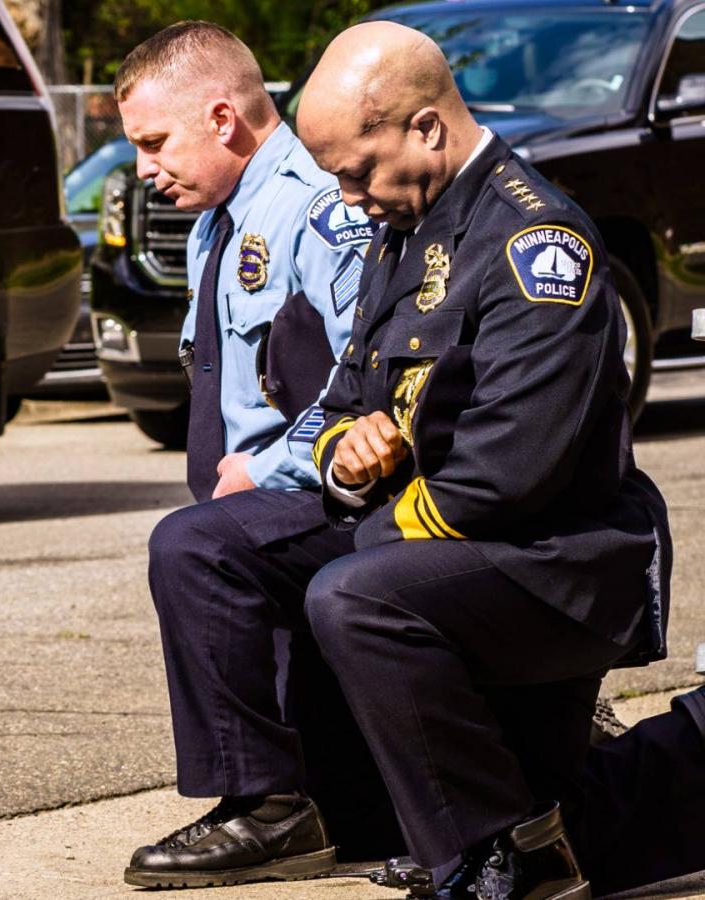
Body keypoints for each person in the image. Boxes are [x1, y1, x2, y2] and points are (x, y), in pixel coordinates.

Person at [127, 20, 672, 898]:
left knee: (354, 591)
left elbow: (510, 472)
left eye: (353, 169)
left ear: (424, 128)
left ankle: (501, 855)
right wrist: (349, 453)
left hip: (557, 556)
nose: (347, 195)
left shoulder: (538, 246)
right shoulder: (402, 227)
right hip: (438, 530)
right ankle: (275, 808)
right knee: (201, 545)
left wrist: (368, 521)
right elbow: (344, 401)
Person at [115, 21, 371, 503]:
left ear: (221, 120)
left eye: (153, 143)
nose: (143, 169)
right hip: (234, 500)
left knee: (182, 551)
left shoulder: (317, 209)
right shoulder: (211, 227)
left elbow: (364, 375)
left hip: (312, 494)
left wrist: (267, 470)